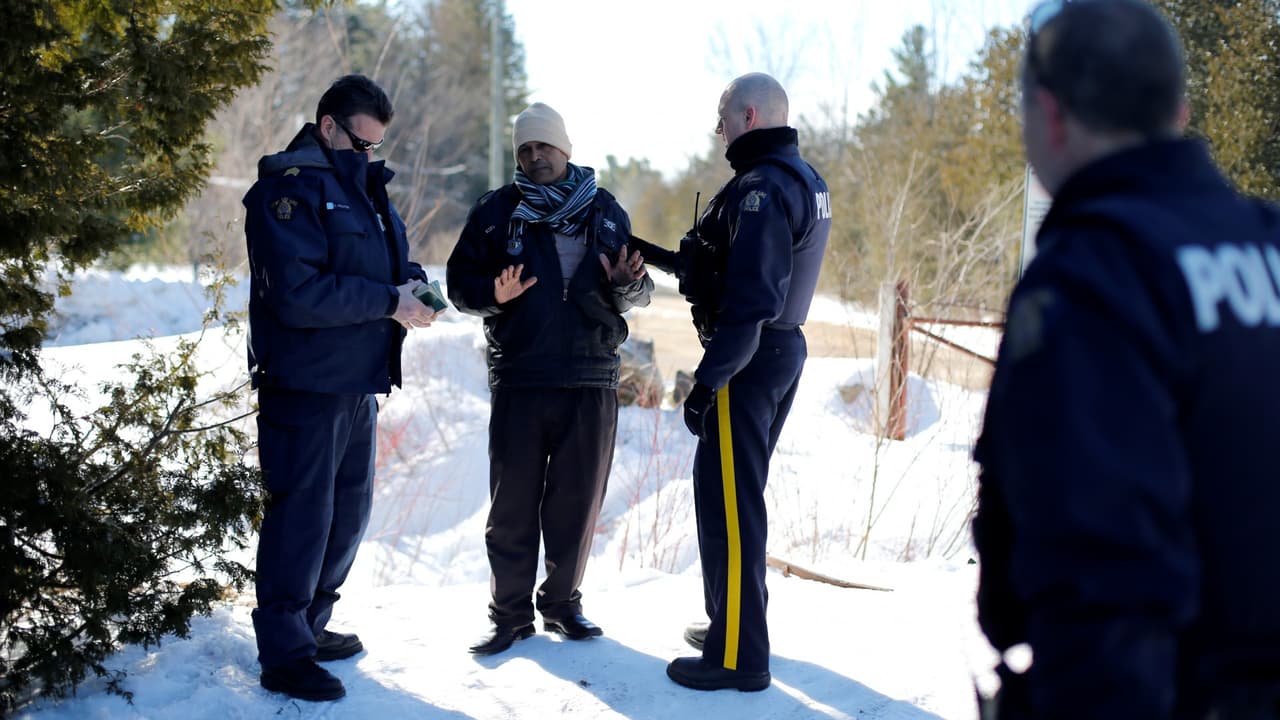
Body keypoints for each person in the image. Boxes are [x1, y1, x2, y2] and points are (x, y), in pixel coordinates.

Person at [973, 1, 1280, 717]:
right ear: (1178, 112)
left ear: (1051, 114)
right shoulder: (1267, 241)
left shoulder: (1095, 277)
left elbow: (1100, 583)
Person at [243, 74, 439, 702]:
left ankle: (310, 624)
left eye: (377, 147)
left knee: (348, 513)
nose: (369, 155)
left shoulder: (363, 189)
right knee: (301, 517)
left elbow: (383, 265)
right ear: (328, 127)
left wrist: (413, 286)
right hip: (304, 382)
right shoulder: (287, 191)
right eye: (361, 143)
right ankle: (284, 655)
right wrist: (388, 301)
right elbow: (298, 294)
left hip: (355, 381)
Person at [446, 102, 653, 656]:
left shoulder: (605, 211)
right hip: (521, 375)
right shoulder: (496, 212)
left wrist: (627, 284)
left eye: (544, 146)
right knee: (511, 506)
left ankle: (563, 605)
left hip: (591, 376)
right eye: (525, 149)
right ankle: (509, 616)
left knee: (577, 504)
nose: (535, 156)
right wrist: (493, 294)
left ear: (565, 149)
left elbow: (639, 290)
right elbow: (459, 285)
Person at [663, 73, 831, 692]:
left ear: (750, 116)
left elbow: (753, 300)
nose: (719, 130)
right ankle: (732, 624)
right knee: (731, 497)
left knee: (731, 506)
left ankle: (739, 656)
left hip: (749, 359)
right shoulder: (803, 177)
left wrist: (709, 380)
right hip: (778, 350)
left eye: (724, 117)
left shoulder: (762, 188)